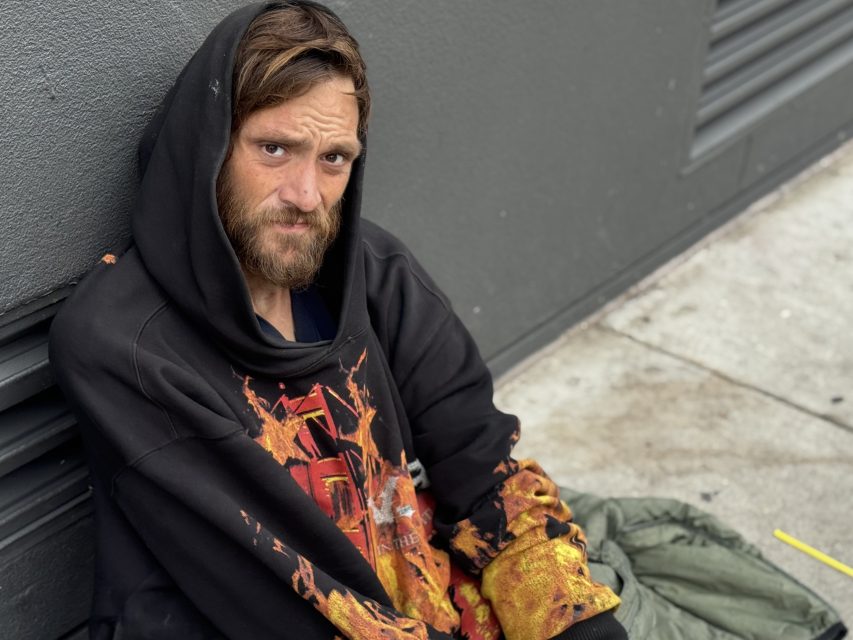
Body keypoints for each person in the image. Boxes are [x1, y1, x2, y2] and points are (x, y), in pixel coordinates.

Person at [49, 2, 628, 638]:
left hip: (417, 590)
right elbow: (294, 602)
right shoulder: (122, 343)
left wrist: (572, 620)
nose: (307, 194)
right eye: (275, 148)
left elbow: (483, 469)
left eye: (335, 159)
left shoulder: (376, 271)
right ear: (206, 148)